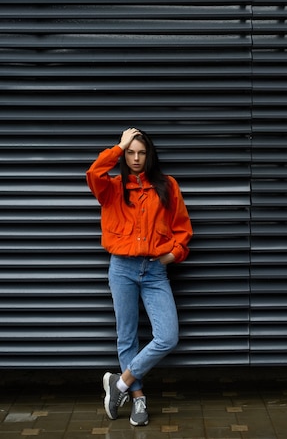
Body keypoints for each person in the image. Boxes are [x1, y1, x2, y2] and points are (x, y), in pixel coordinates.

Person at [86, 127, 193, 426]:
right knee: (127, 336)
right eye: (130, 152)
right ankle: (137, 398)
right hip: (121, 268)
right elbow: (93, 173)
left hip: (155, 271)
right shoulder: (110, 187)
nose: (135, 157)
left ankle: (118, 384)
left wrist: (173, 254)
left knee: (168, 336)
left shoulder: (167, 186)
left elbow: (183, 229)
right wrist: (117, 147)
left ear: (149, 155)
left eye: (141, 152)